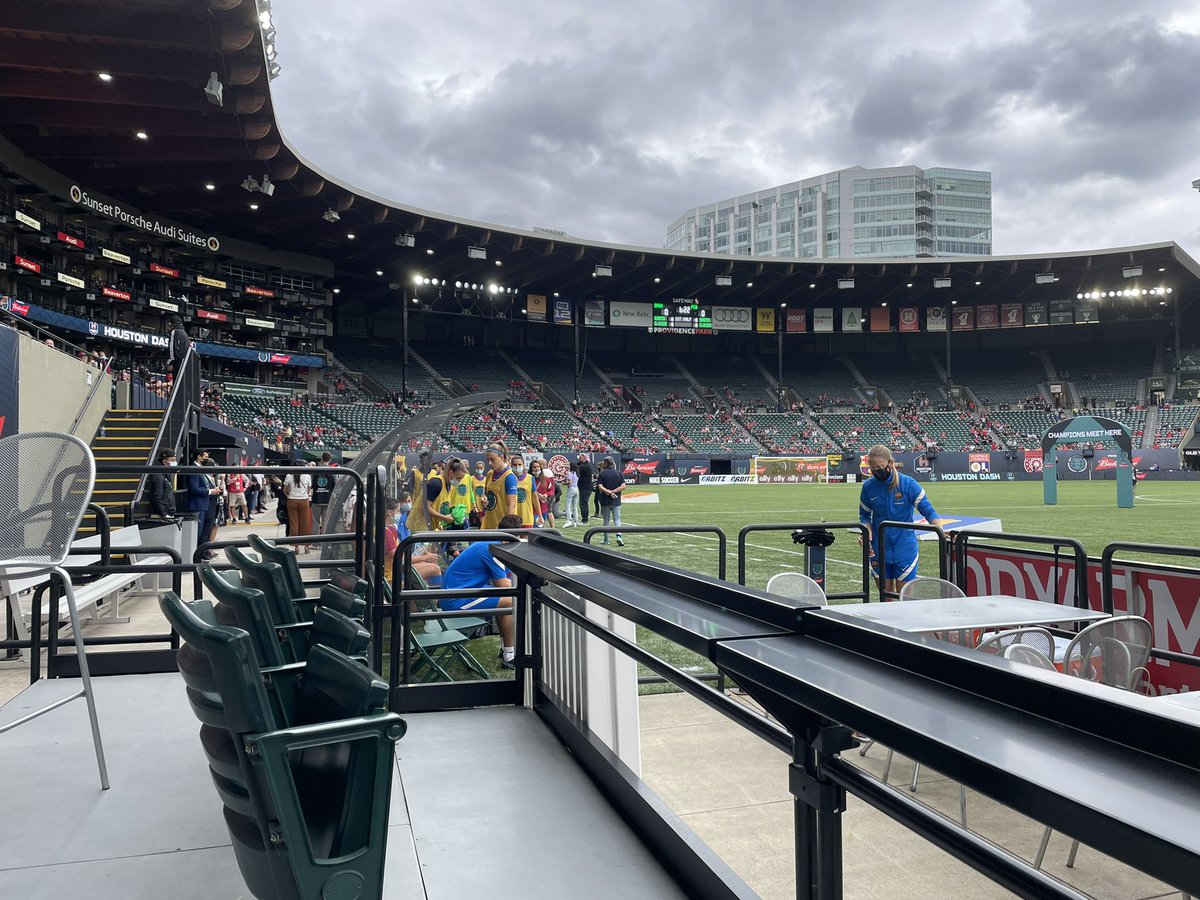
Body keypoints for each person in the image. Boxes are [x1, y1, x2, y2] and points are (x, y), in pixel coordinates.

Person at [858, 444, 944, 598]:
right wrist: (867, 531)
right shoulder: (868, 487)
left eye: (881, 466)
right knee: (886, 598)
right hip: (879, 548)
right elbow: (864, 515)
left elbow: (928, 510)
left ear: (891, 463)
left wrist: (941, 531)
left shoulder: (908, 484)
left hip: (905, 548)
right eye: (873, 468)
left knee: (905, 598)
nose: (877, 471)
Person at [441, 514, 523, 668]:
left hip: (455, 595)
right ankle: (509, 656)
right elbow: (504, 586)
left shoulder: (489, 541)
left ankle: (506, 649)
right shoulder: (493, 548)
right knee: (510, 600)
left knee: (505, 600)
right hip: (456, 600)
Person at [186, 449, 219, 560]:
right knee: (198, 532)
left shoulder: (200, 469)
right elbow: (194, 488)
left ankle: (201, 553)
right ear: (199, 457)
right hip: (198, 505)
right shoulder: (194, 469)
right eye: (205, 457)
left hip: (205, 504)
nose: (206, 459)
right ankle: (197, 555)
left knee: (204, 531)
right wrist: (210, 491)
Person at [426, 458, 474, 530]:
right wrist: (444, 518)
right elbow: (425, 507)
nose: (459, 481)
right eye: (458, 478)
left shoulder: (450, 485)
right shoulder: (435, 483)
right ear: (450, 473)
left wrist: (456, 514)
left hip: (434, 526)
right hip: (422, 526)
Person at [480, 442, 518, 530]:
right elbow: (486, 493)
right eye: (488, 460)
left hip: (501, 525)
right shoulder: (490, 473)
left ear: (502, 457)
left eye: (492, 459)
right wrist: (484, 499)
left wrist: (506, 526)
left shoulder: (509, 477)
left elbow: (512, 505)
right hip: (489, 521)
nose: (489, 463)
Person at [283, 462, 313, 553]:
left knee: (293, 523)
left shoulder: (289, 475)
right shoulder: (307, 476)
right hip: (304, 500)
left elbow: (285, 489)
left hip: (291, 500)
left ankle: (296, 546)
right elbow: (308, 489)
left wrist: (288, 495)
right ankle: (306, 546)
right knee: (305, 523)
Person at [596, 456, 625, 546]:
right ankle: (619, 536)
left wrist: (608, 492)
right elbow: (623, 486)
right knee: (617, 519)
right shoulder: (619, 473)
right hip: (616, 499)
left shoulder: (602, 474)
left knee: (606, 520)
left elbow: (600, 486)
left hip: (605, 500)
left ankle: (606, 539)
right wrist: (613, 491)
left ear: (605, 464)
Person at [148, 449, 177, 517]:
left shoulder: (166, 475)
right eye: (172, 460)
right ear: (164, 462)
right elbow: (157, 497)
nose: (175, 462)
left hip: (167, 512)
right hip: (161, 515)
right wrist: (164, 514)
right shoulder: (159, 476)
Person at [311, 451, 334, 535]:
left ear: (321, 459)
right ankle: (324, 542)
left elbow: (311, 484)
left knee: (315, 521)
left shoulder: (315, 470)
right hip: (328, 499)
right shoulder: (333, 471)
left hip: (316, 499)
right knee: (325, 521)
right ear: (330, 460)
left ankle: (315, 541)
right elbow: (335, 485)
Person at [510, 455, 537, 528]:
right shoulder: (507, 478)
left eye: (519, 464)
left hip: (526, 517)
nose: (517, 466)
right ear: (511, 465)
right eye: (515, 465)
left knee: (525, 539)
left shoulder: (530, 478)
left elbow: (535, 498)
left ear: (523, 465)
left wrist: (540, 515)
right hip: (511, 518)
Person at [530, 458, 555, 528]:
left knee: (541, 527)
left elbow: (552, 490)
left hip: (543, 507)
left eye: (538, 467)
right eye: (534, 467)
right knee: (536, 527)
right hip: (533, 508)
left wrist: (546, 494)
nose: (536, 469)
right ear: (531, 468)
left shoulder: (545, 479)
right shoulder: (528, 478)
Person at [576, 454, 593, 524]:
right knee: (583, 503)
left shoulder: (585, 466)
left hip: (585, 487)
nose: (579, 460)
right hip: (584, 487)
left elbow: (576, 467)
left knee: (583, 503)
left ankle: (585, 520)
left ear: (584, 458)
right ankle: (584, 519)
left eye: (580, 458)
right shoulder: (585, 465)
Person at [562, 460, 580, 528]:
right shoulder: (577, 473)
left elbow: (569, 482)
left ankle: (569, 520)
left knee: (568, 505)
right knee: (575, 506)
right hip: (576, 489)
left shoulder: (570, 473)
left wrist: (564, 483)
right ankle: (575, 521)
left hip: (571, 488)